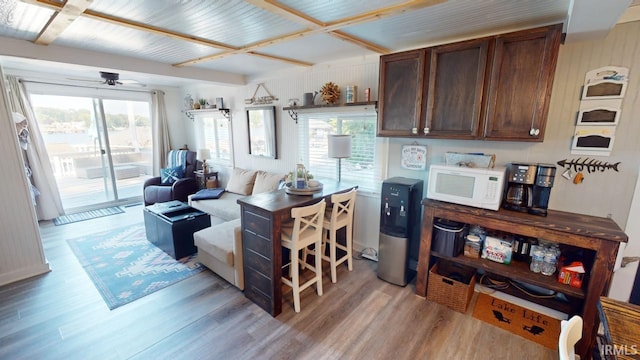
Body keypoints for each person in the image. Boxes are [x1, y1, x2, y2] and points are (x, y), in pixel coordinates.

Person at [13, 112, 39, 205]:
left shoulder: (21, 134)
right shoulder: (11, 135)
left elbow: (23, 147)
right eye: (21, 125)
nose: (23, 128)